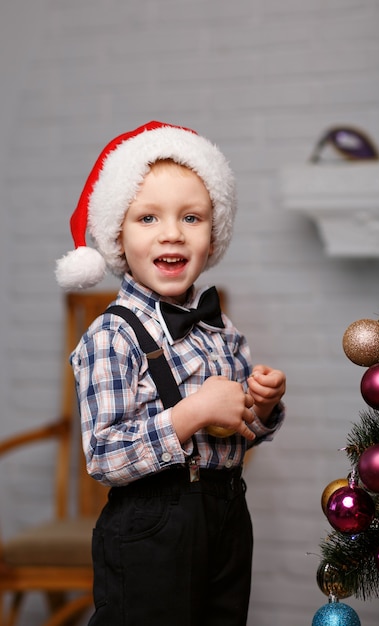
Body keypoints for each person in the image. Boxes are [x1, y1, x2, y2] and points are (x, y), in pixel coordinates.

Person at [55, 120, 286, 626]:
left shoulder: (219, 327)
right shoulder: (110, 335)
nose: (172, 234)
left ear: (214, 232)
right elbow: (105, 456)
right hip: (150, 526)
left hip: (226, 513)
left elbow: (240, 431)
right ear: (117, 233)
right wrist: (193, 413)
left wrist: (261, 405)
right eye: (147, 218)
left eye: (191, 217)